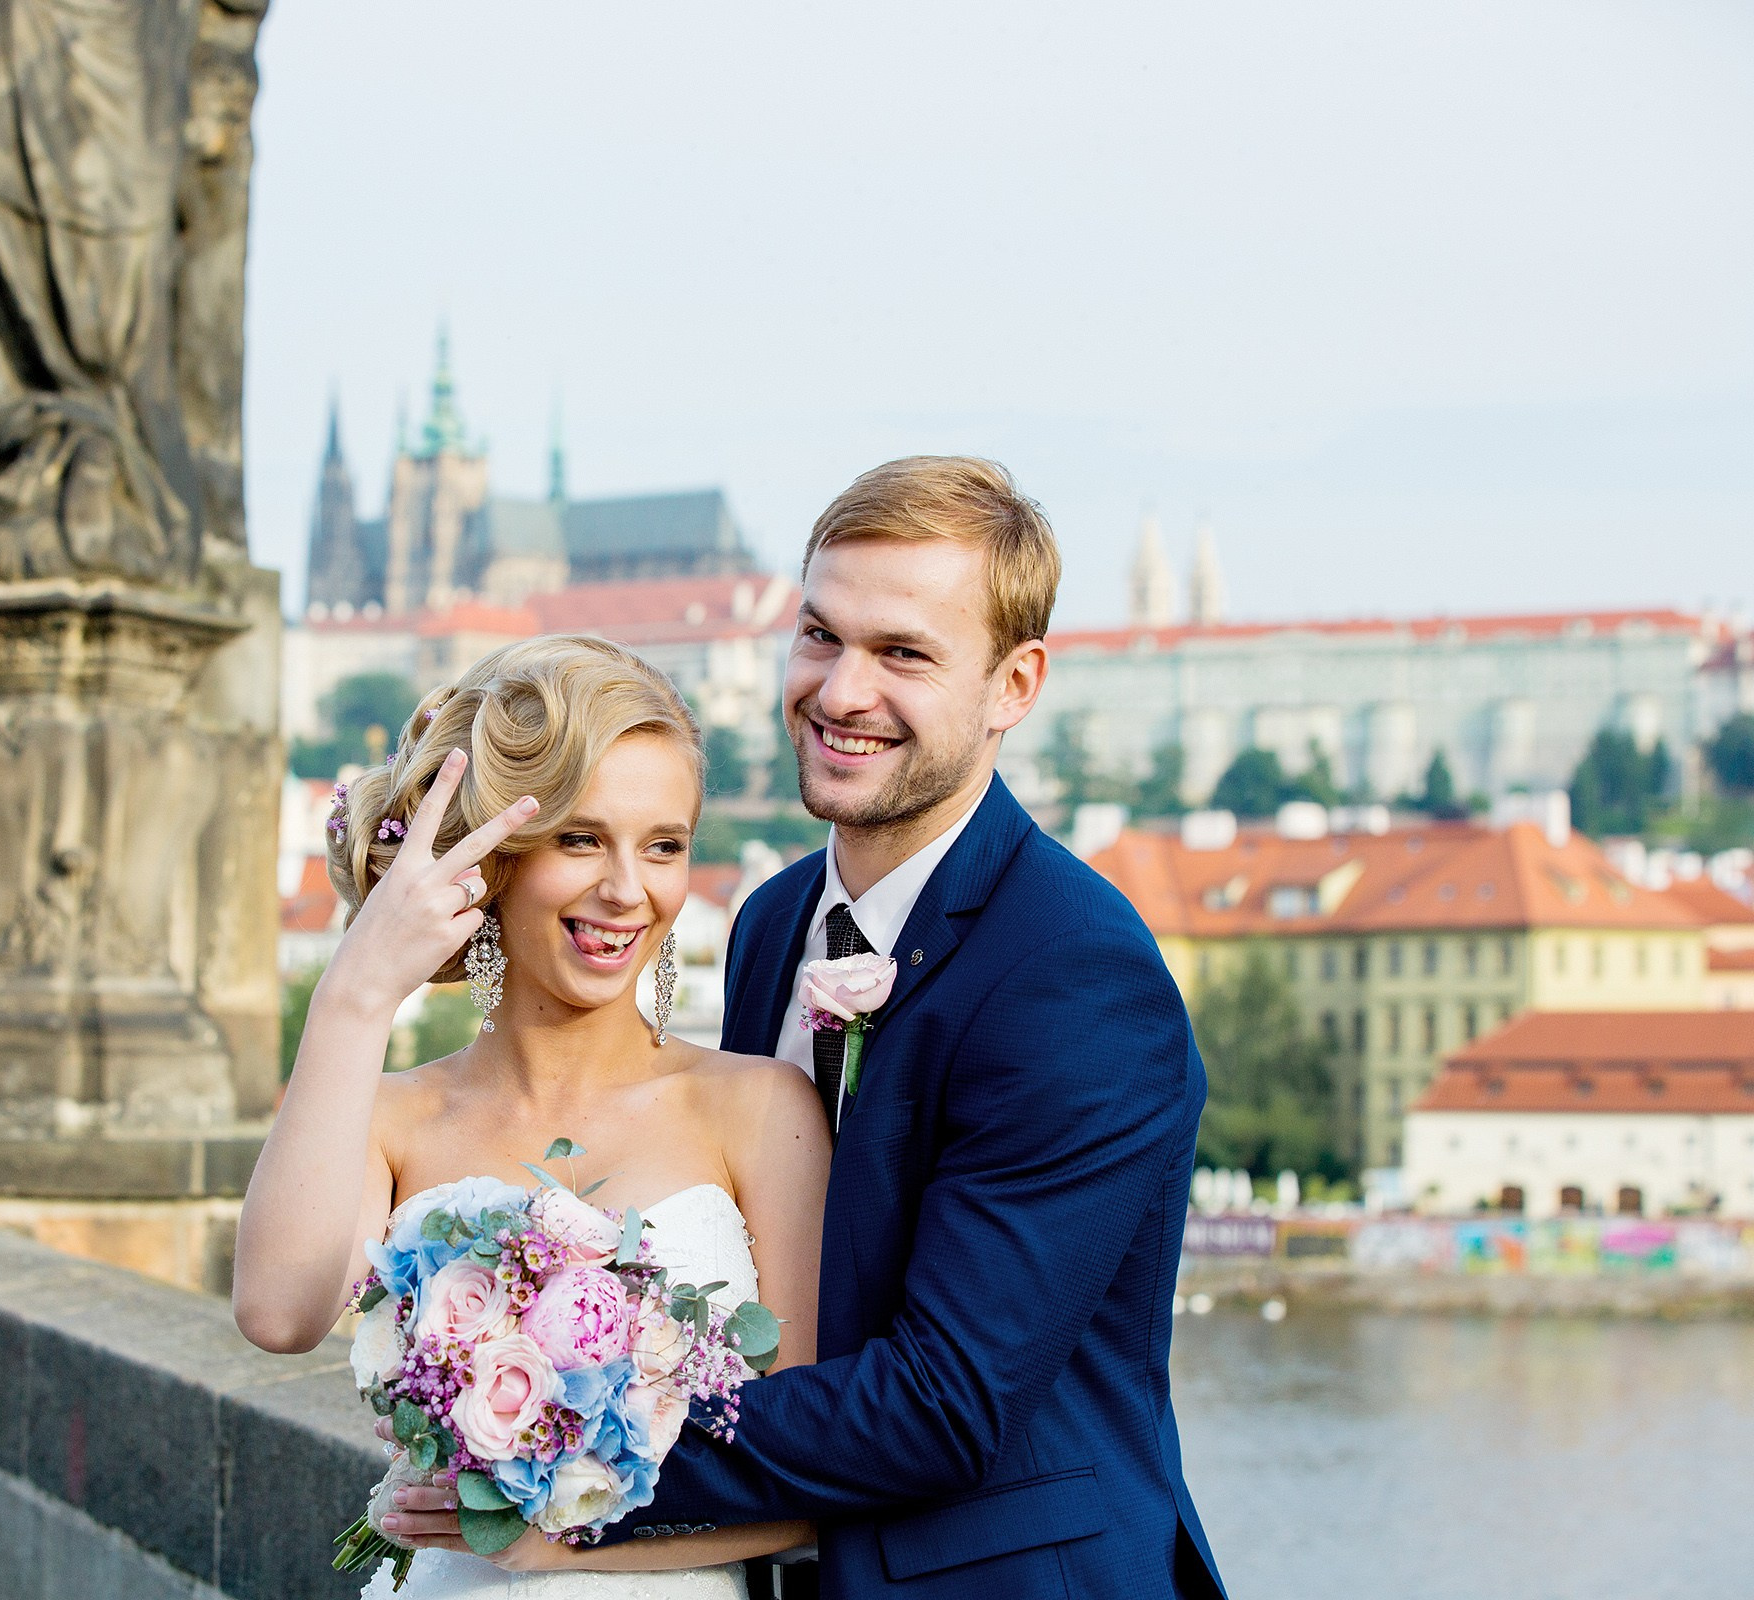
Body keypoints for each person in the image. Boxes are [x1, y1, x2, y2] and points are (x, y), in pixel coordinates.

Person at [387, 458, 1227, 1598]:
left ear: (1014, 685)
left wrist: (544, 1454)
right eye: (822, 635)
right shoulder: (777, 918)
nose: (839, 692)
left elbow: (944, 1404)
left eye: (904, 654)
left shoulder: (1075, 976)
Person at [234, 635, 835, 1598]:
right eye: (580, 837)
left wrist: (546, 1543)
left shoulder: (758, 1110)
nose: (628, 890)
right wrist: (354, 995)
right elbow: (276, 1312)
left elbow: (807, 1482)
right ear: (496, 859)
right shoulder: (394, 1117)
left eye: (665, 845)